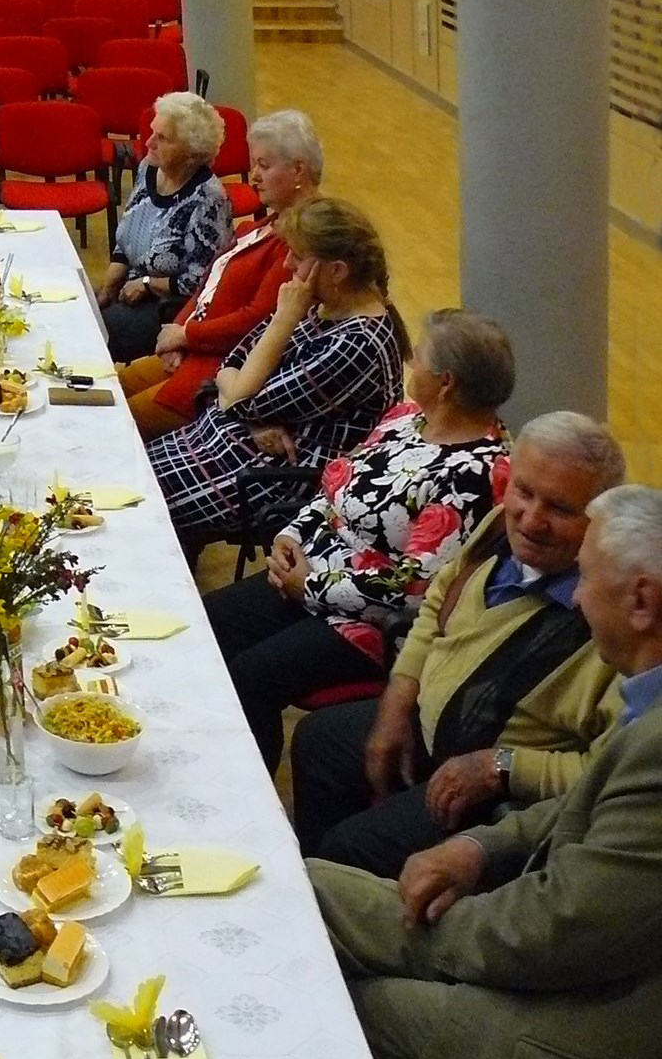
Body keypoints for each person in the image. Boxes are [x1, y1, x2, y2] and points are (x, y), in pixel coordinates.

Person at [309, 483, 662, 1059]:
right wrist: (479, 846)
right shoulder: (648, 710)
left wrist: (438, 936)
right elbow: (587, 806)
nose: (577, 598)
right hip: (559, 954)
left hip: (588, 1039)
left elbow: (561, 931)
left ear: (642, 601)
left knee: (338, 999)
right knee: (304, 891)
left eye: (586, 578)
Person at [291, 412, 627, 876]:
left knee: (346, 852)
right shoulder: (498, 529)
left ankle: (345, 899)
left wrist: (501, 767)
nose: (532, 520)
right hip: (432, 724)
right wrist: (398, 700)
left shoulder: (612, 628)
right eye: (524, 492)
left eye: (560, 509)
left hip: (497, 790)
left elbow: (612, 775)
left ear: (599, 520)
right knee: (319, 742)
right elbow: (438, 602)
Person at [202, 311, 516, 773]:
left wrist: (310, 586)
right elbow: (337, 487)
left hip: (369, 620)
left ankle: (242, 787)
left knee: (250, 676)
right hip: (311, 572)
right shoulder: (405, 420)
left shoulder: (476, 474)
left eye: (419, 358)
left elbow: (414, 588)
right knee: (208, 625)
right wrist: (291, 536)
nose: (410, 364)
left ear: (446, 382)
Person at [144, 196, 407, 533]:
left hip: (268, 479)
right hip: (231, 441)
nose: (286, 264)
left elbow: (239, 399)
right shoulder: (319, 306)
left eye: (297, 256)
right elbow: (232, 361)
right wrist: (250, 414)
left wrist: (283, 321)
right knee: (123, 471)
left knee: (133, 500)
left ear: (337, 271)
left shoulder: (356, 345)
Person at [118, 109, 322, 439]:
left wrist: (186, 335)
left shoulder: (300, 243)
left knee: (118, 422)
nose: (253, 176)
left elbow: (257, 320)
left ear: (299, 170)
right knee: (111, 387)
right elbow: (206, 285)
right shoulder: (264, 225)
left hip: (219, 368)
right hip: (192, 350)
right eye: (254, 164)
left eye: (264, 166)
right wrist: (176, 333)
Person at [95, 92, 233, 363]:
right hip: (130, 288)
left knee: (93, 334)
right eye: (152, 132)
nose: (149, 143)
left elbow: (202, 280)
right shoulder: (148, 168)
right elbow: (126, 238)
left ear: (191, 153)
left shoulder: (208, 199)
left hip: (170, 307)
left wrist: (147, 284)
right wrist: (109, 287)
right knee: (73, 307)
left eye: (162, 138)